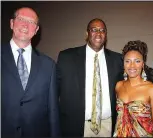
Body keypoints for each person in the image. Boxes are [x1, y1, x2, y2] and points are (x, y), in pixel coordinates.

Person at [56, 18, 123, 137]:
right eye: (94, 29)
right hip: (76, 126)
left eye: (102, 30)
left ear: (106, 35)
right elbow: (54, 92)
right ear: (87, 34)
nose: (98, 33)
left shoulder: (117, 59)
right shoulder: (67, 57)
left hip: (107, 125)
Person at [1, 7, 60, 137]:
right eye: (21, 19)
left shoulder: (48, 65)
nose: (25, 25)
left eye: (31, 22)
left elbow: (53, 110)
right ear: (11, 23)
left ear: (36, 30)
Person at [113, 40, 153, 137]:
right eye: (128, 61)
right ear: (123, 64)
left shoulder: (152, 90)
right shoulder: (118, 86)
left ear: (143, 64)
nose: (132, 66)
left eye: (137, 61)